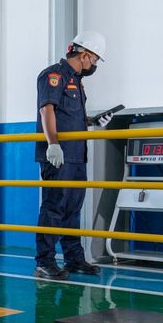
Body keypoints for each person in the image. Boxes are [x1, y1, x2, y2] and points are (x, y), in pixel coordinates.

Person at [34, 31, 112, 280]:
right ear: (85, 54)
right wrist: (53, 144)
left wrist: (93, 121)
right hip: (58, 155)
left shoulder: (77, 81)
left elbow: (70, 117)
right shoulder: (53, 75)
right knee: (54, 206)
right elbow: (47, 110)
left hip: (77, 154)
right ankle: (45, 261)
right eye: (95, 59)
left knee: (73, 208)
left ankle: (74, 258)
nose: (94, 65)